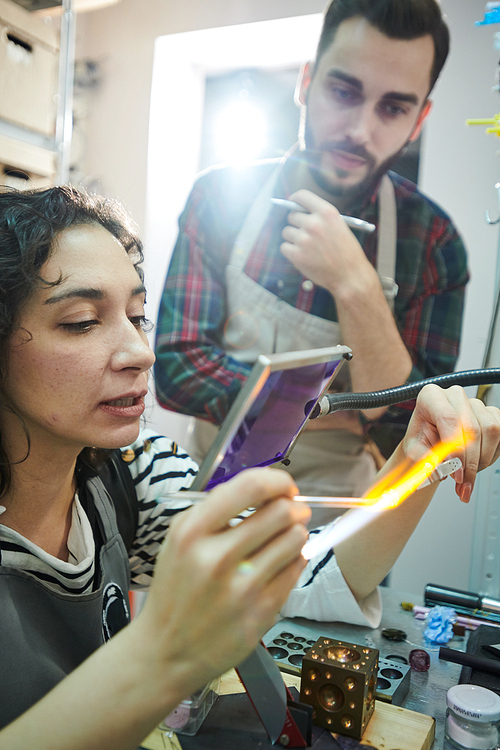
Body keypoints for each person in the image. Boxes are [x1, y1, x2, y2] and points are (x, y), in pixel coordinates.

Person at [0, 185, 494, 750]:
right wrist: (164, 651)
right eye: (83, 321)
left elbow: (304, 580)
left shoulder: (130, 472)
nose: (142, 352)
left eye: (139, 317)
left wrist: (417, 457)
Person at [154, 0, 469, 504]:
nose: (360, 130)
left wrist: (355, 285)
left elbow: (406, 434)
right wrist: (331, 404)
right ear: (306, 82)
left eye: (393, 107)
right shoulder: (219, 196)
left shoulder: (434, 243)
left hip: (337, 514)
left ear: (419, 119)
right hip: (212, 494)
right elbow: (175, 369)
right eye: (344, 92)